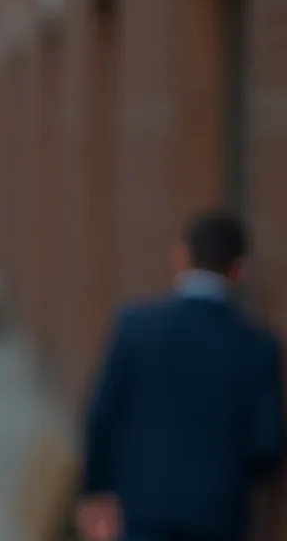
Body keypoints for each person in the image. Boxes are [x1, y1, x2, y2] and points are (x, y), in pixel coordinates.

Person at [78, 210, 284, 541]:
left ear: (181, 257)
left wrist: (96, 494)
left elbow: (101, 416)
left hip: (143, 512)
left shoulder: (135, 326)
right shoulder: (258, 346)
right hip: (219, 517)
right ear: (238, 270)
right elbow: (267, 445)